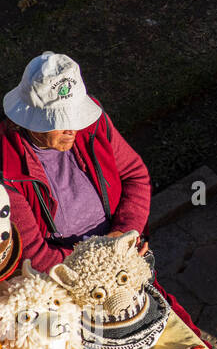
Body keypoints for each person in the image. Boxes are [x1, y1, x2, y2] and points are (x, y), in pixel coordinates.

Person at [0, 52, 195, 330]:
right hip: (67, 279)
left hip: (121, 254)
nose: (72, 129)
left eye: (74, 117)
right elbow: (35, 254)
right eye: (60, 121)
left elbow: (135, 176)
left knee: (176, 326)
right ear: (31, 120)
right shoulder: (7, 165)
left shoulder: (93, 125)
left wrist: (126, 233)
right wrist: (106, 263)